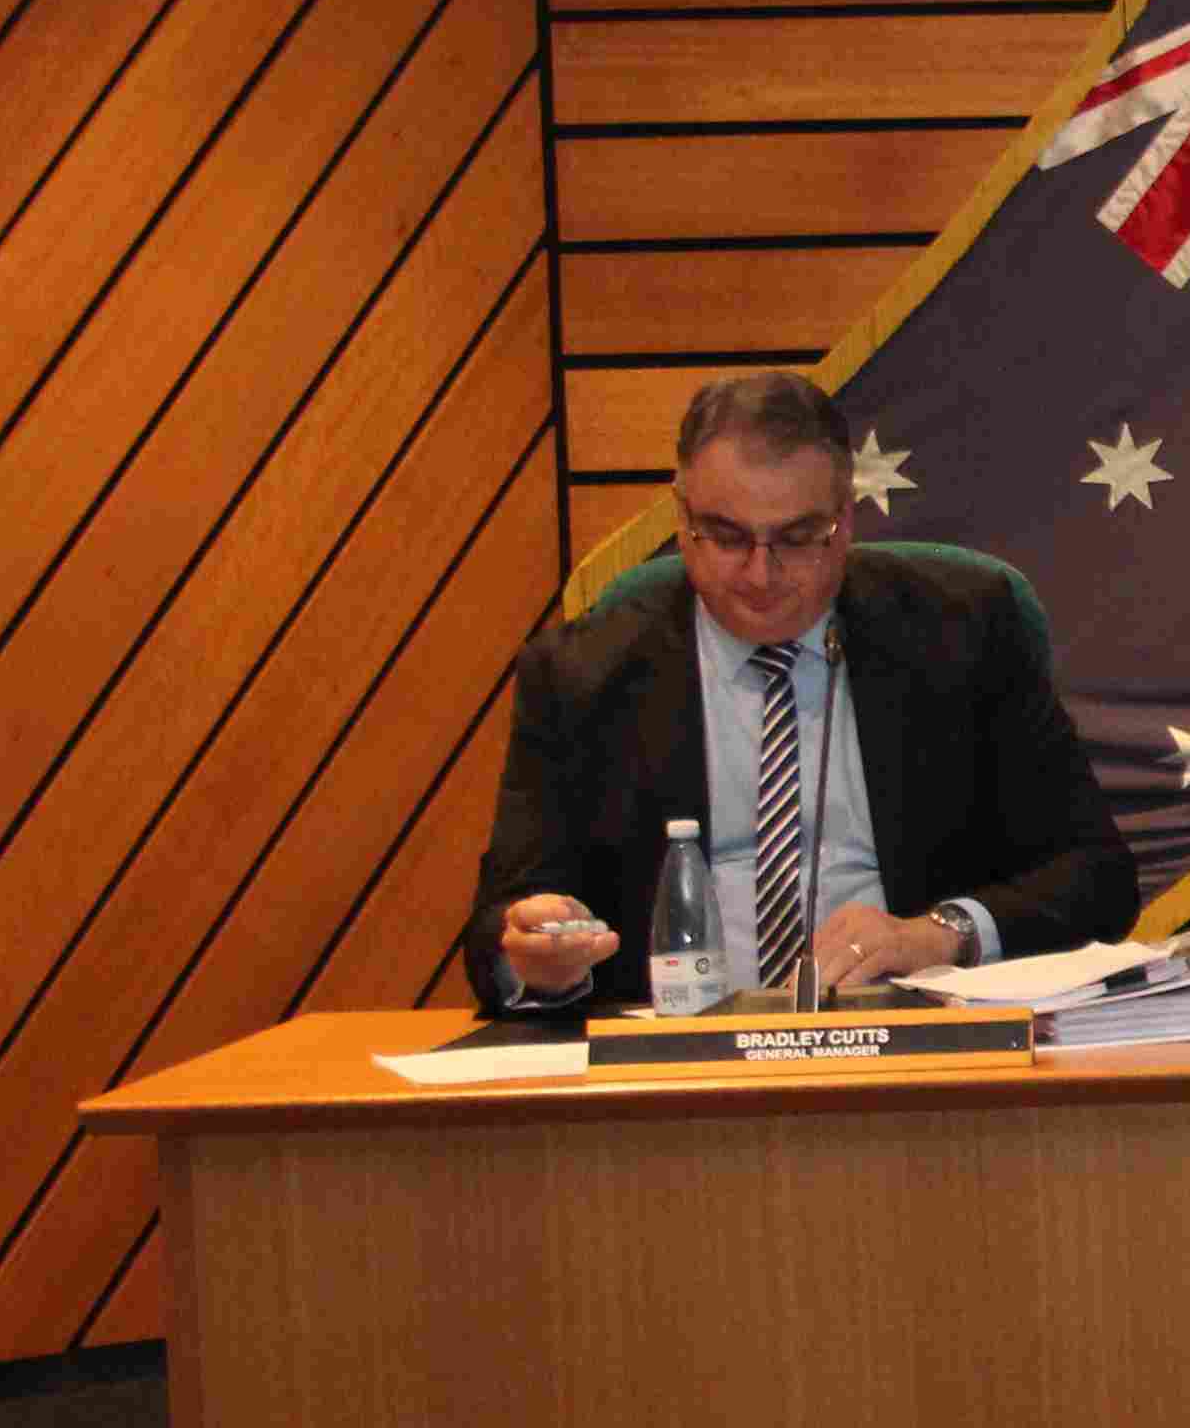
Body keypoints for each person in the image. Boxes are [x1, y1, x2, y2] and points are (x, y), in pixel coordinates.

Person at [467, 371, 1134, 1012]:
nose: (762, 574)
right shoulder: (581, 674)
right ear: (681, 516)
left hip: (916, 1051)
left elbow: (1096, 877)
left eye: (796, 538)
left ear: (844, 521)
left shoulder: (965, 635)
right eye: (727, 537)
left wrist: (936, 934)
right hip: (674, 1073)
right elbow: (501, 930)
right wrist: (532, 952)